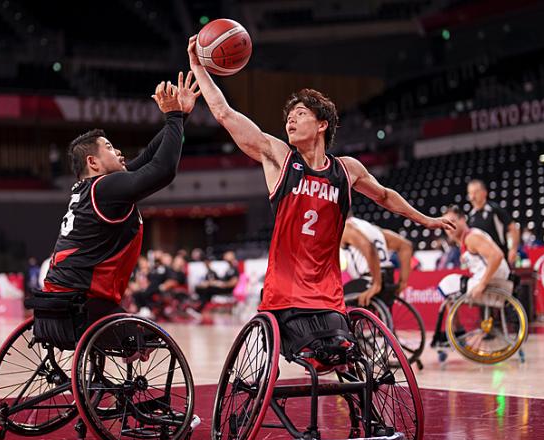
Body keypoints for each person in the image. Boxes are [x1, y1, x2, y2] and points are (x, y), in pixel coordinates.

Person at [187, 37, 453, 368]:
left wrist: (424, 219)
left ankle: (369, 418)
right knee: (316, 355)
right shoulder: (280, 157)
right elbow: (225, 114)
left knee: (347, 357)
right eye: (289, 117)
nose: (290, 121)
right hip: (285, 292)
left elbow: (385, 195)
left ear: (322, 124)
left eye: (300, 114)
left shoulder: (346, 169)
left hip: (328, 293)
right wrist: (200, 68)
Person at [43, 73, 200, 328]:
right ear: (92, 162)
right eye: (108, 147)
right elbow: (163, 170)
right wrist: (172, 117)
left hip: (57, 298)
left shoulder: (90, 189)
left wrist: (180, 117)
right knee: (146, 336)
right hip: (86, 301)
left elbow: (150, 156)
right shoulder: (107, 187)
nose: (117, 151)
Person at [437, 206, 511, 301]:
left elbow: (497, 256)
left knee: (446, 284)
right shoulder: (466, 240)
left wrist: (482, 284)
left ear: (463, 220)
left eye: (452, 221)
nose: (449, 227)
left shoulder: (471, 237)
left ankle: (451, 315)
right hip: (491, 278)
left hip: (494, 281)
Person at [340, 215, 413, 306]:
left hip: (370, 279)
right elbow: (406, 246)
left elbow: (369, 248)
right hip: (388, 278)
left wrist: (376, 283)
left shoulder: (346, 227)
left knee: (336, 298)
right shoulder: (371, 228)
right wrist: (402, 282)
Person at [467, 179, 519, 266]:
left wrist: (513, 249)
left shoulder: (495, 210)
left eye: (475, 192)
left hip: (501, 258)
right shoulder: (470, 216)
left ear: (484, 193)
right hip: (481, 262)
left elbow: (513, 228)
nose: (472, 197)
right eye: (470, 193)